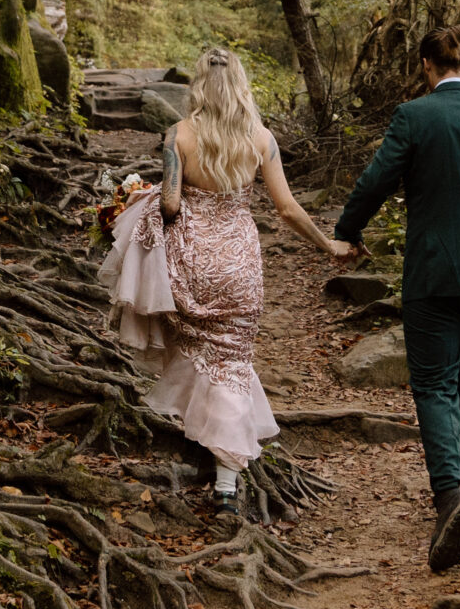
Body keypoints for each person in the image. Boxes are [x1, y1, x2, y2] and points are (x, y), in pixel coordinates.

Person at [109, 47, 354, 509]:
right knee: (232, 362)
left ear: (198, 85)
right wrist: (328, 245)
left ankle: (207, 447)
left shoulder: (178, 135)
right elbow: (286, 208)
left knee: (198, 352)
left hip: (192, 259)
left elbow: (170, 206)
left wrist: (140, 198)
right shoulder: (261, 138)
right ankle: (225, 481)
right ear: (241, 84)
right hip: (239, 262)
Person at [332, 22, 460, 572]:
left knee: (434, 384)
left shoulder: (415, 116)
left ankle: (452, 493)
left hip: (435, 274)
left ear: (428, 67)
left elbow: (376, 180)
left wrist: (348, 231)